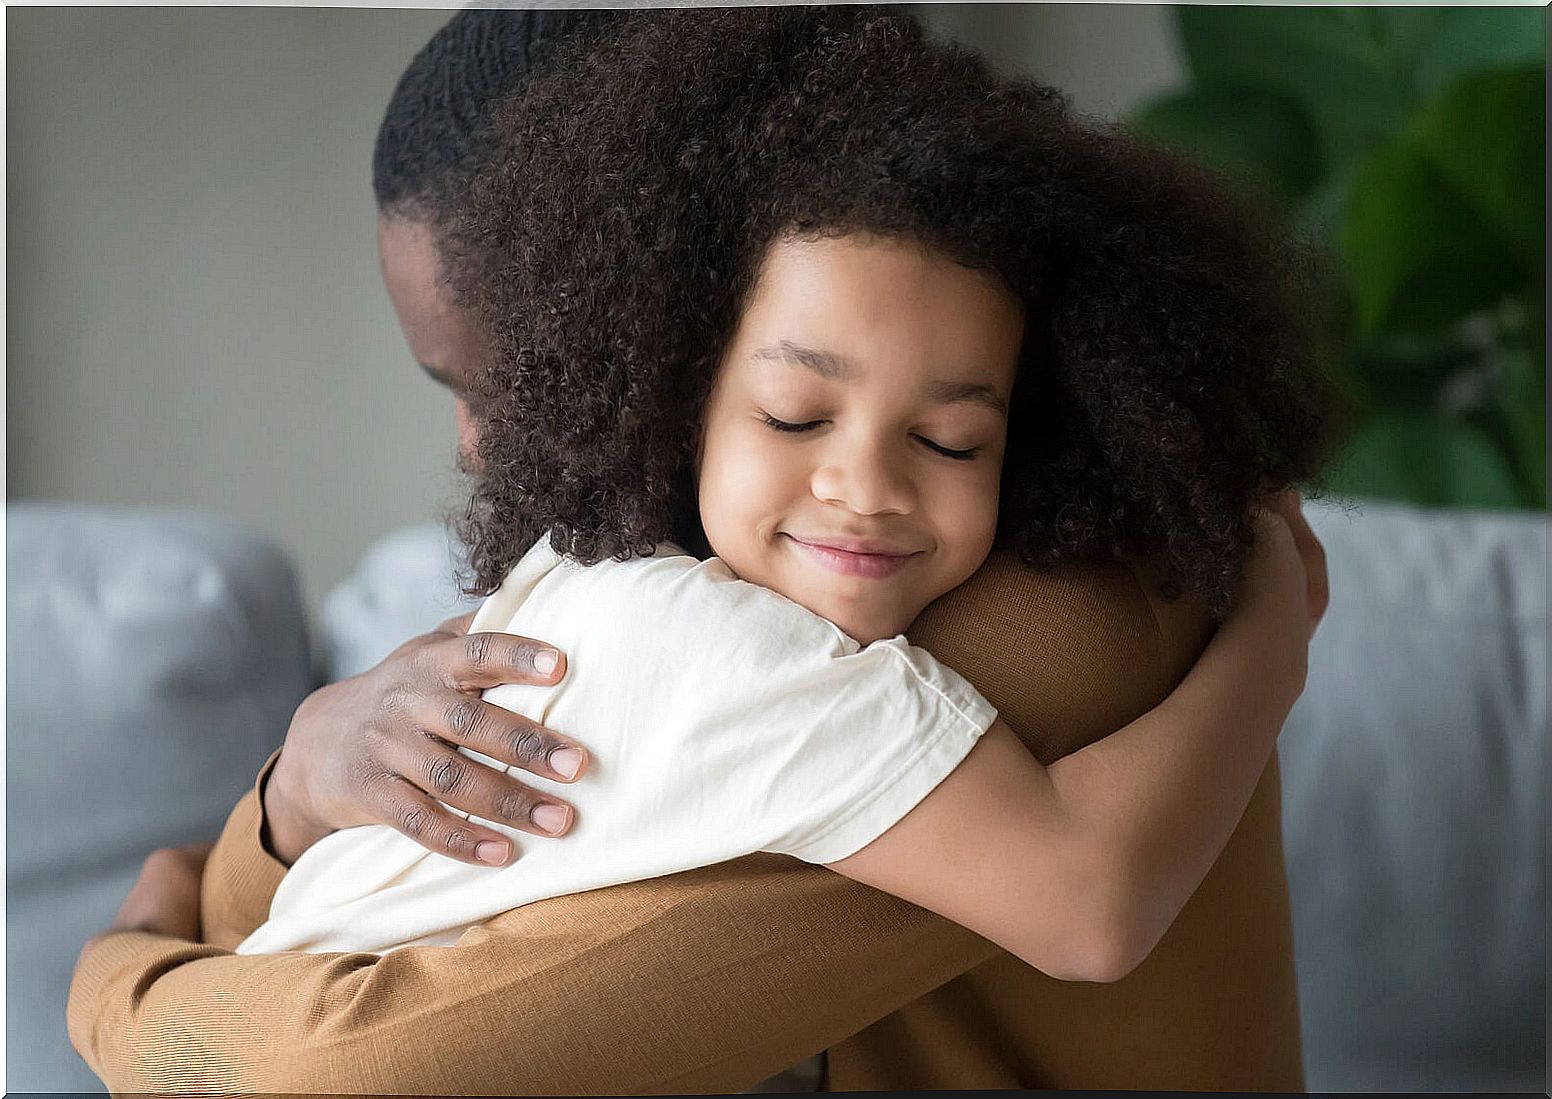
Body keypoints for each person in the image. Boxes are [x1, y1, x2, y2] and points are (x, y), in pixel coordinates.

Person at [69, 8, 1335, 1093]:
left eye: (513, 374)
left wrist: (115, 975)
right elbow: (280, 909)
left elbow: (328, 1070)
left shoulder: (1032, 632)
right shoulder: (672, 593)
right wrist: (299, 786)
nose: (476, 444)